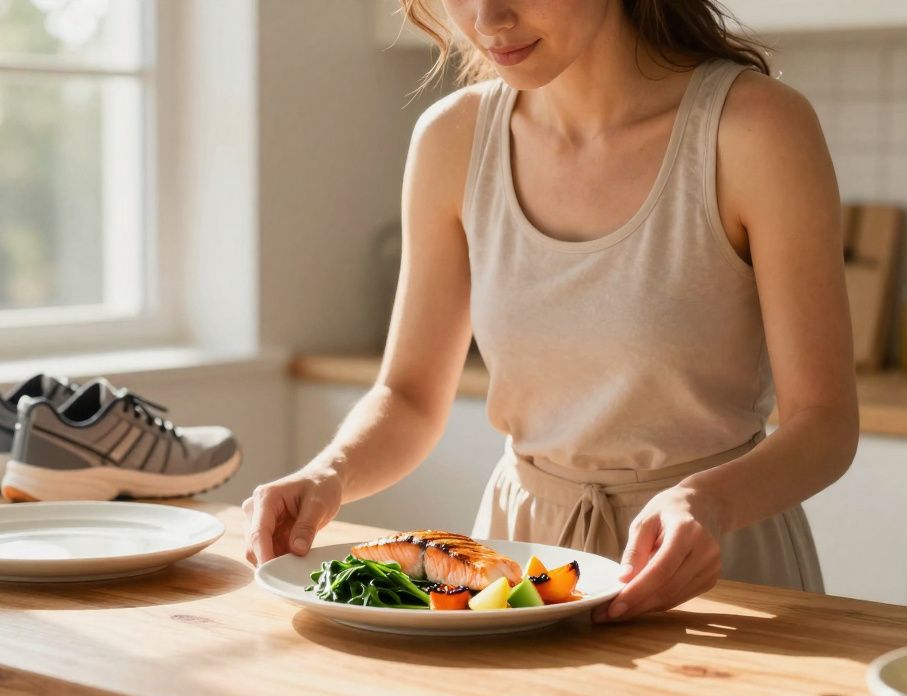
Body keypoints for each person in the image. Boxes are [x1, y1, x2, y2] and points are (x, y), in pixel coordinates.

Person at [244, 0, 858, 623]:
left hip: (713, 564)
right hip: (518, 567)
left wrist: (707, 503)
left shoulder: (756, 128)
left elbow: (825, 422)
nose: (487, 18)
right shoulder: (451, 139)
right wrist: (330, 474)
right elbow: (407, 395)